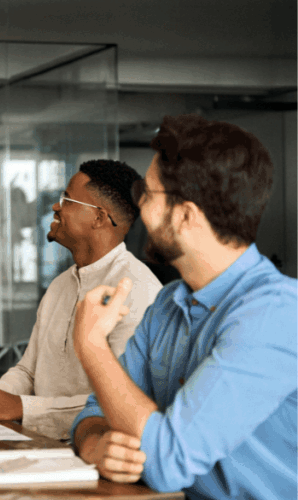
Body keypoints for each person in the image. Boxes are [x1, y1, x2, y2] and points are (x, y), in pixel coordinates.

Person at [69, 115, 297, 499]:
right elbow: (94, 411)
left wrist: (91, 346)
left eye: (146, 192)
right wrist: (94, 446)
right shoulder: (168, 302)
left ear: (186, 215)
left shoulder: (275, 315)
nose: (138, 204)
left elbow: (167, 462)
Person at [0, 160, 162, 440]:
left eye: (67, 199)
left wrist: (19, 407)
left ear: (99, 218)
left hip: (94, 449)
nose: (56, 207)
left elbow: (114, 401)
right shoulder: (60, 285)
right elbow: (28, 372)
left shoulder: (137, 290)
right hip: (35, 441)